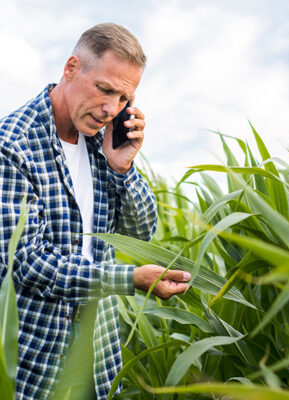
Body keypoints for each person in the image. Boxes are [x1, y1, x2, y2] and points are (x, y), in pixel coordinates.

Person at [0, 23, 190, 399]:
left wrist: (123, 168)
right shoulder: (13, 146)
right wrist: (128, 279)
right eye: (105, 89)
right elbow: (25, 262)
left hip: (97, 355)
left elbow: (140, 235)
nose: (110, 109)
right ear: (71, 68)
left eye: (123, 98)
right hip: (32, 357)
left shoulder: (101, 145)